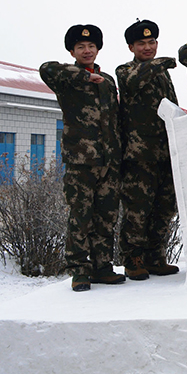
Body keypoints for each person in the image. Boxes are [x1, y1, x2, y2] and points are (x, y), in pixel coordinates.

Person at [40, 25, 125, 292]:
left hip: (109, 160)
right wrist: (83, 77)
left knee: (106, 216)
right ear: (72, 51)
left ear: (98, 49)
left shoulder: (108, 81)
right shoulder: (66, 78)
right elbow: (46, 68)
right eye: (80, 47)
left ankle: (102, 267)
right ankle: (79, 270)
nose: (87, 51)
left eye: (91, 47)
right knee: (80, 216)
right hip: (81, 160)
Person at [116, 20, 181, 280]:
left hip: (166, 153)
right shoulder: (127, 70)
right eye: (142, 43)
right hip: (139, 155)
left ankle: (156, 257)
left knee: (164, 208)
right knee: (137, 209)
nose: (148, 47)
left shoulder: (163, 75)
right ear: (131, 46)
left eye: (152, 42)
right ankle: (133, 259)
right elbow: (132, 82)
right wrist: (158, 63)